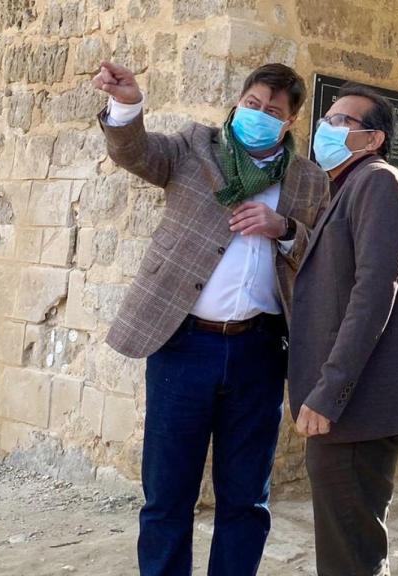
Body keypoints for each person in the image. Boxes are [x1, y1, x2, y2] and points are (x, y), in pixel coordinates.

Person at [91, 61, 328, 576]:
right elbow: (134, 152)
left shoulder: (308, 179)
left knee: (245, 498)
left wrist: (283, 227)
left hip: (260, 351)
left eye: (273, 111)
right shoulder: (194, 147)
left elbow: (322, 257)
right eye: (253, 104)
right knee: (167, 494)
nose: (259, 115)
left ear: (290, 123)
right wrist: (127, 104)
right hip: (183, 345)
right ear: (238, 101)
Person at [288, 84, 398, 575]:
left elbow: (373, 293)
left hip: (360, 408)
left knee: (350, 557)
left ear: (373, 139)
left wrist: (328, 392)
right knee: (351, 546)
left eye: (343, 122)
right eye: (328, 119)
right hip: (355, 409)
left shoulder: (378, 182)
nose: (326, 128)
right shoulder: (347, 188)